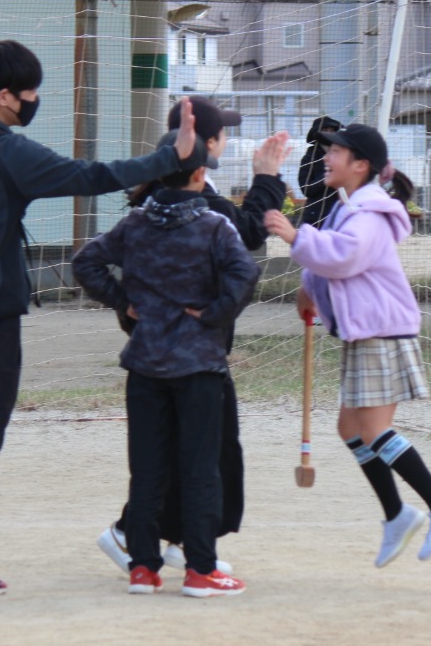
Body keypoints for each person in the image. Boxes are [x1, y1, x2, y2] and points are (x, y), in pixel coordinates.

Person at [0, 40, 203, 597]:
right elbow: (92, 174)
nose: (33, 102)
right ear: (5, 97)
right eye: (29, 94)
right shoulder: (7, 151)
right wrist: (171, 157)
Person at [262, 123, 431, 568]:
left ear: (360, 165)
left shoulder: (371, 212)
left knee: (375, 431)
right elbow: (332, 261)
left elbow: (344, 257)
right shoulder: (349, 208)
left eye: (334, 151)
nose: (326, 157)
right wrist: (308, 289)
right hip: (365, 333)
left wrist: (293, 237)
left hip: (382, 332)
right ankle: (397, 515)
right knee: (350, 429)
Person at [96, 97, 291, 575]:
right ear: (206, 147)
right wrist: (266, 178)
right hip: (190, 356)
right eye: (222, 132)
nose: (226, 139)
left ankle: (174, 542)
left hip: (162, 354)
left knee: (178, 455)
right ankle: (142, 538)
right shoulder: (192, 204)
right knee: (202, 456)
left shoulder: (160, 199)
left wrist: (126, 303)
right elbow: (246, 238)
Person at [71, 155, 259, 597]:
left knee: (148, 468)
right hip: (199, 366)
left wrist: (123, 301)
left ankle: (142, 568)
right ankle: (200, 569)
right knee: (199, 468)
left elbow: (86, 262)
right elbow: (245, 273)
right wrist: (215, 313)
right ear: (199, 175)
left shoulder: (135, 224)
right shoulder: (214, 225)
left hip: (145, 364)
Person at [297, 115, 343, 228]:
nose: (329, 134)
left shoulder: (344, 156)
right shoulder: (309, 158)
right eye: (325, 130)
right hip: (316, 216)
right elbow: (306, 188)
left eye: (332, 130)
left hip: (340, 214)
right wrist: (327, 177)